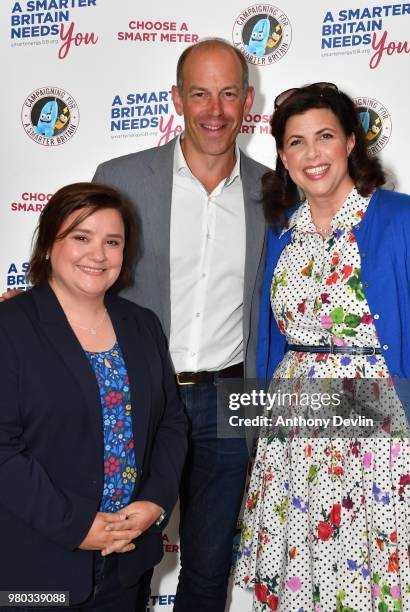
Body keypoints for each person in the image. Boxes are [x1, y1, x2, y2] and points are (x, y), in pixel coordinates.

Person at [234, 84, 410, 610]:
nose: (311, 154)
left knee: (387, 584)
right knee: (307, 583)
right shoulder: (281, 230)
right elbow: (272, 343)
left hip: (387, 440)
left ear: (350, 143)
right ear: (282, 156)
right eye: (295, 142)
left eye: (324, 137)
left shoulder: (404, 218)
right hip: (295, 440)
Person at [93, 39, 268, 611]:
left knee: (210, 563)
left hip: (231, 396)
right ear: (176, 99)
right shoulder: (120, 180)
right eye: (199, 93)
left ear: (246, 101)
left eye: (226, 93)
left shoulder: (276, 192)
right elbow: (86, 269)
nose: (213, 110)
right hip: (142, 394)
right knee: (124, 554)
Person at [0, 182, 187, 611]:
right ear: (49, 243)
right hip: (36, 563)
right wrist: (77, 526)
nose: (98, 254)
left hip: (126, 560)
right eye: (81, 237)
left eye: (112, 242)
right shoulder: (9, 327)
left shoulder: (142, 325)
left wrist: (155, 502)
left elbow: (172, 423)